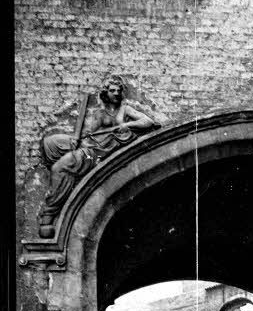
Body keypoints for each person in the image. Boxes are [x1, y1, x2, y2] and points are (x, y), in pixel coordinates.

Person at [39, 72, 163, 234]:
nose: (116, 93)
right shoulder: (99, 113)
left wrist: (127, 125)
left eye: (119, 90)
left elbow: (148, 121)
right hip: (92, 146)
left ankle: (49, 213)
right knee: (51, 143)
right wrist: (76, 140)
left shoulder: (125, 109)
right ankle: (59, 196)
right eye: (112, 90)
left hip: (98, 153)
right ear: (106, 92)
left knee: (59, 167)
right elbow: (89, 134)